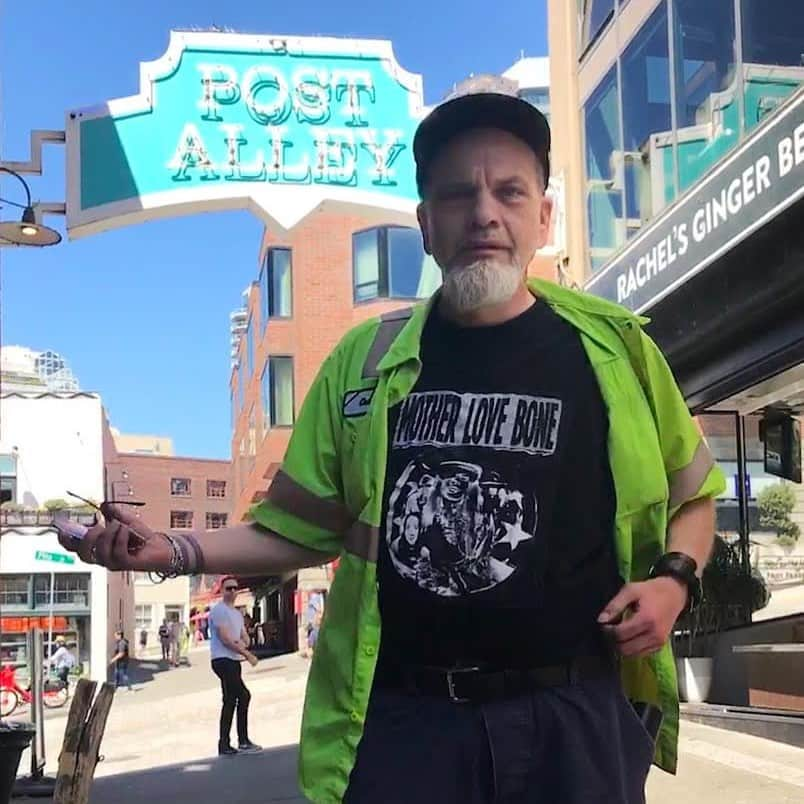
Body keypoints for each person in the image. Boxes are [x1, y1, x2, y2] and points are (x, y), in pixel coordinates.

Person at [58, 74, 725, 803]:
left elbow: (696, 497)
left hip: (574, 721)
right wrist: (170, 551)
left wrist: (673, 582)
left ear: (544, 214)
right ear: (425, 223)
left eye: (508, 192)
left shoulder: (615, 353)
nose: (484, 215)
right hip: (409, 727)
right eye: (456, 196)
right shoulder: (364, 365)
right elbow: (298, 531)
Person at [207, 578, 261, 756]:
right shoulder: (219, 611)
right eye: (228, 588)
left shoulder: (237, 614)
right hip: (222, 660)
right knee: (244, 695)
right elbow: (225, 639)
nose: (232, 591)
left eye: (235, 588)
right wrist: (247, 654)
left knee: (230, 700)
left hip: (233, 660)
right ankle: (243, 741)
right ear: (222, 590)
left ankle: (224, 744)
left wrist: (244, 643)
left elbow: (244, 637)